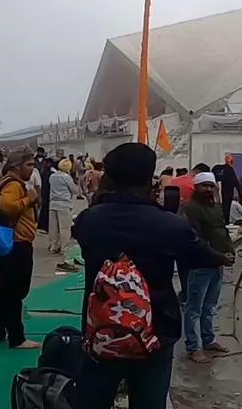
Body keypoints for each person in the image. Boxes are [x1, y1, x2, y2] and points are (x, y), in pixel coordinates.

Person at [73, 142, 233, 408]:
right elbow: (200, 255)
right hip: (156, 330)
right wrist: (223, 256)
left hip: (101, 329)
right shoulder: (169, 224)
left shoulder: (88, 220)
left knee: (93, 400)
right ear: (151, 178)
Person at [178, 172, 235, 363]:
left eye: (211, 186)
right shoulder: (192, 209)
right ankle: (194, 347)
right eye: (204, 186)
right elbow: (196, 240)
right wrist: (220, 256)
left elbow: (221, 230)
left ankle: (208, 339)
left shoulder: (215, 206)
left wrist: (230, 250)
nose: (208, 189)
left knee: (210, 305)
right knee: (194, 308)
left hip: (217, 264)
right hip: (199, 265)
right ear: (197, 187)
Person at [0, 150, 42, 350]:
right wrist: (28, 199)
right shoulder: (13, 185)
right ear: (15, 167)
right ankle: (16, 337)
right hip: (16, 245)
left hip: (9, 244)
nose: (32, 169)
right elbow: (7, 207)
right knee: (15, 291)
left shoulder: (8, 182)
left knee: (2, 289)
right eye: (28, 165)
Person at [47, 159, 81, 272]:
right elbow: (75, 190)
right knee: (64, 228)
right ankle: (64, 248)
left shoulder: (52, 176)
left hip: (53, 204)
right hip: (64, 204)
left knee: (53, 227)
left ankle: (53, 246)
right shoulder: (67, 177)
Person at [211, 155, 241, 224]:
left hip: (217, 194)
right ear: (232, 161)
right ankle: (225, 222)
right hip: (226, 193)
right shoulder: (230, 170)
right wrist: (241, 193)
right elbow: (235, 182)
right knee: (226, 209)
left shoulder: (217, 168)